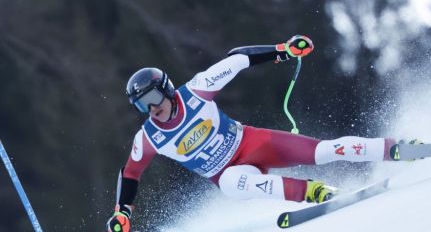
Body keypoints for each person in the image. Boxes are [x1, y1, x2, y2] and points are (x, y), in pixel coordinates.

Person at [106, 35, 399, 232]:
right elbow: (131, 173)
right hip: (229, 173)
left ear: (167, 90)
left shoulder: (197, 90)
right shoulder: (149, 138)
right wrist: (123, 212)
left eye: (152, 100)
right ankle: (316, 192)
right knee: (232, 183)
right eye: (142, 106)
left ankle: (393, 148)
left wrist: (284, 50)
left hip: (253, 144)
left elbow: (238, 60)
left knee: (323, 151)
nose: (151, 109)